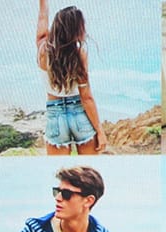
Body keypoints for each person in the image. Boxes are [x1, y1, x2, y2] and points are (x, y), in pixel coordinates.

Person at [38, 5, 106, 154]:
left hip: (55, 116)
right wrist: (100, 131)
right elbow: (86, 97)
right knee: (86, 168)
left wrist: (43, 3)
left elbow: (43, 16)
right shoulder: (79, 54)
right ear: (76, 30)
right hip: (79, 113)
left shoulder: (42, 49)